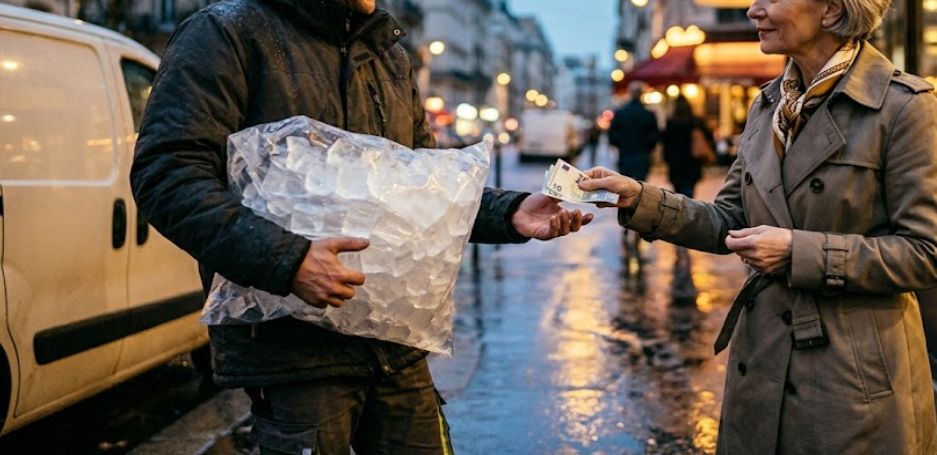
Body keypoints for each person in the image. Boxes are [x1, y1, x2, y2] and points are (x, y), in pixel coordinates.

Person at [129, 0, 592, 453]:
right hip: (298, 355)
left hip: (395, 346)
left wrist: (510, 212)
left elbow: (425, 191)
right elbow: (167, 175)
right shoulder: (227, 32)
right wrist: (288, 260)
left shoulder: (388, 55)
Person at [579, 0, 937, 452]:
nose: (753, 9)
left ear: (830, 10)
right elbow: (728, 220)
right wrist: (640, 198)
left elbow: (926, 252)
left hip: (852, 382)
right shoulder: (769, 104)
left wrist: (797, 251)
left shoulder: (905, 107)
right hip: (761, 363)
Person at [661, 94, 712, 199]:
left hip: (676, 161)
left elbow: (665, 141)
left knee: (677, 189)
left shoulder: (672, 122)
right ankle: (688, 209)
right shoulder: (696, 121)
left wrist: (666, 159)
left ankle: (680, 209)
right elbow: (708, 137)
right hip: (693, 160)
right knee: (689, 188)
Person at [608, 81, 659, 183]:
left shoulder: (620, 113)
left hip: (625, 155)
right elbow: (655, 136)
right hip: (642, 156)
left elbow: (612, 135)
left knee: (625, 185)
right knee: (641, 187)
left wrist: (621, 144)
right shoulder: (649, 115)